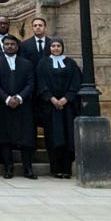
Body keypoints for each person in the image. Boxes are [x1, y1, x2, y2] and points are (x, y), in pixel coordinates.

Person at [0, 34, 37, 179]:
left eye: (12, 44)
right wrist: (7, 98)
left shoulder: (27, 64)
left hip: (23, 106)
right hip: (4, 105)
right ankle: (8, 168)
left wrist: (20, 97)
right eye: (7, 44)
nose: (10, 46)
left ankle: (28, 168)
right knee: (5, 137)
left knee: (26, 137)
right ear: (3, 46)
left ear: (17, 47)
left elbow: (31, 83)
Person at [36, 39, 81, 178]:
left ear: (62, 47)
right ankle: (55, 168)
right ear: (49, 48)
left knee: (68, 137)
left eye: (58, 46)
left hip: (67, 107)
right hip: (51, 107)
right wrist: (52, 98)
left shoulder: (71, 63)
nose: (56, 48)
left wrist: (65, 98)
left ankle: (67, 169)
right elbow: (41, 83)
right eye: (53, 46)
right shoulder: (43, 63)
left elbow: (76, 82)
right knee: (53, 137)